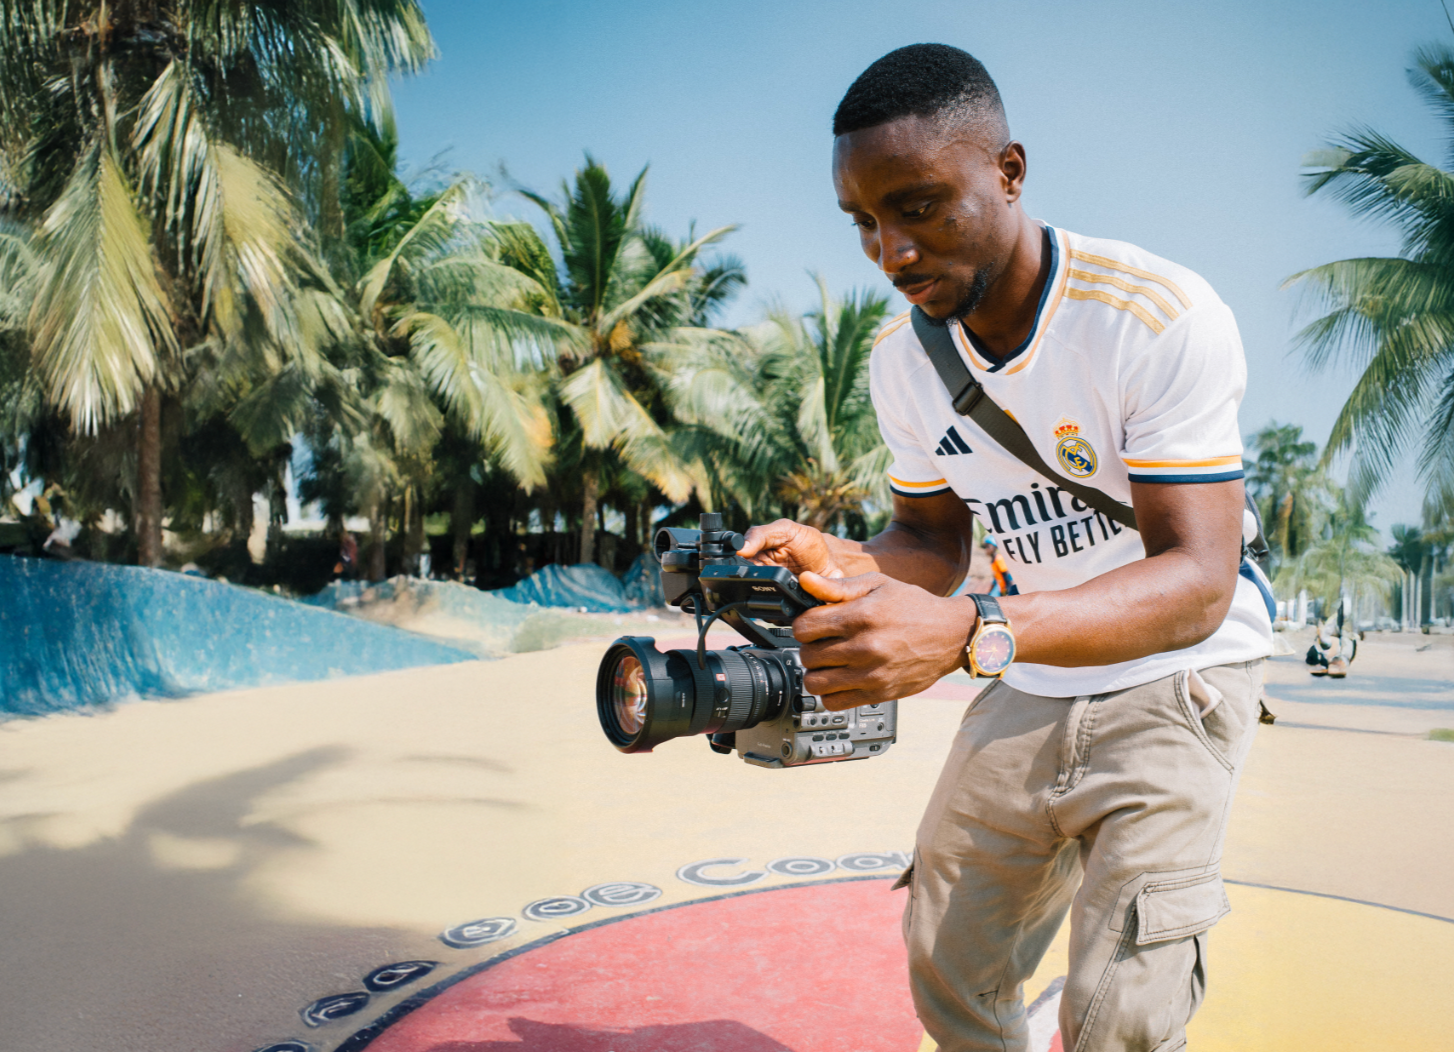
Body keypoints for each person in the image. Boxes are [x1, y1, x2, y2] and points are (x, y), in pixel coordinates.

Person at [740, 44, 1273, 1052]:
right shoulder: (902, 362)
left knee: (1118, 1013)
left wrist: (964, 633)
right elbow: (927, 540)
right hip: (1026, 662)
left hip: (1180, 671)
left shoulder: (1149, 317)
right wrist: (838, 562)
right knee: (948, 949)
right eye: (862, 221)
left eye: (918, 206)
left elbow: (1198, 582)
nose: (889, 251)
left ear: (1008, 173)